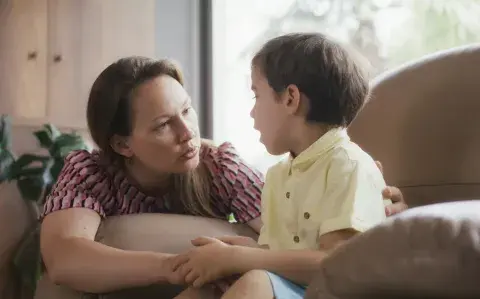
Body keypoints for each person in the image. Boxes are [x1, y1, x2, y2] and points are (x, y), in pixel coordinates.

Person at [39, 55, 407, 297]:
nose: (188, 133)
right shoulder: (89, 171)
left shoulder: (218, 164)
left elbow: (288, 230)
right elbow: (64, 258)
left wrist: (363, 205)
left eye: (187, 110)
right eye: (164, 125)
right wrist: (172, 266)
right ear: (122, 145)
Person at [171, 32, 401, 299]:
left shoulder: (348, 166)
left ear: (291, 98)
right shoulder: (278, 175)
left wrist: (238, 257)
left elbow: (334, 265)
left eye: (256, 96)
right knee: (203, 291)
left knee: (256, 282)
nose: (252, 112)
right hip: (291, 288)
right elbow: (280, 259)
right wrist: (238, 253)